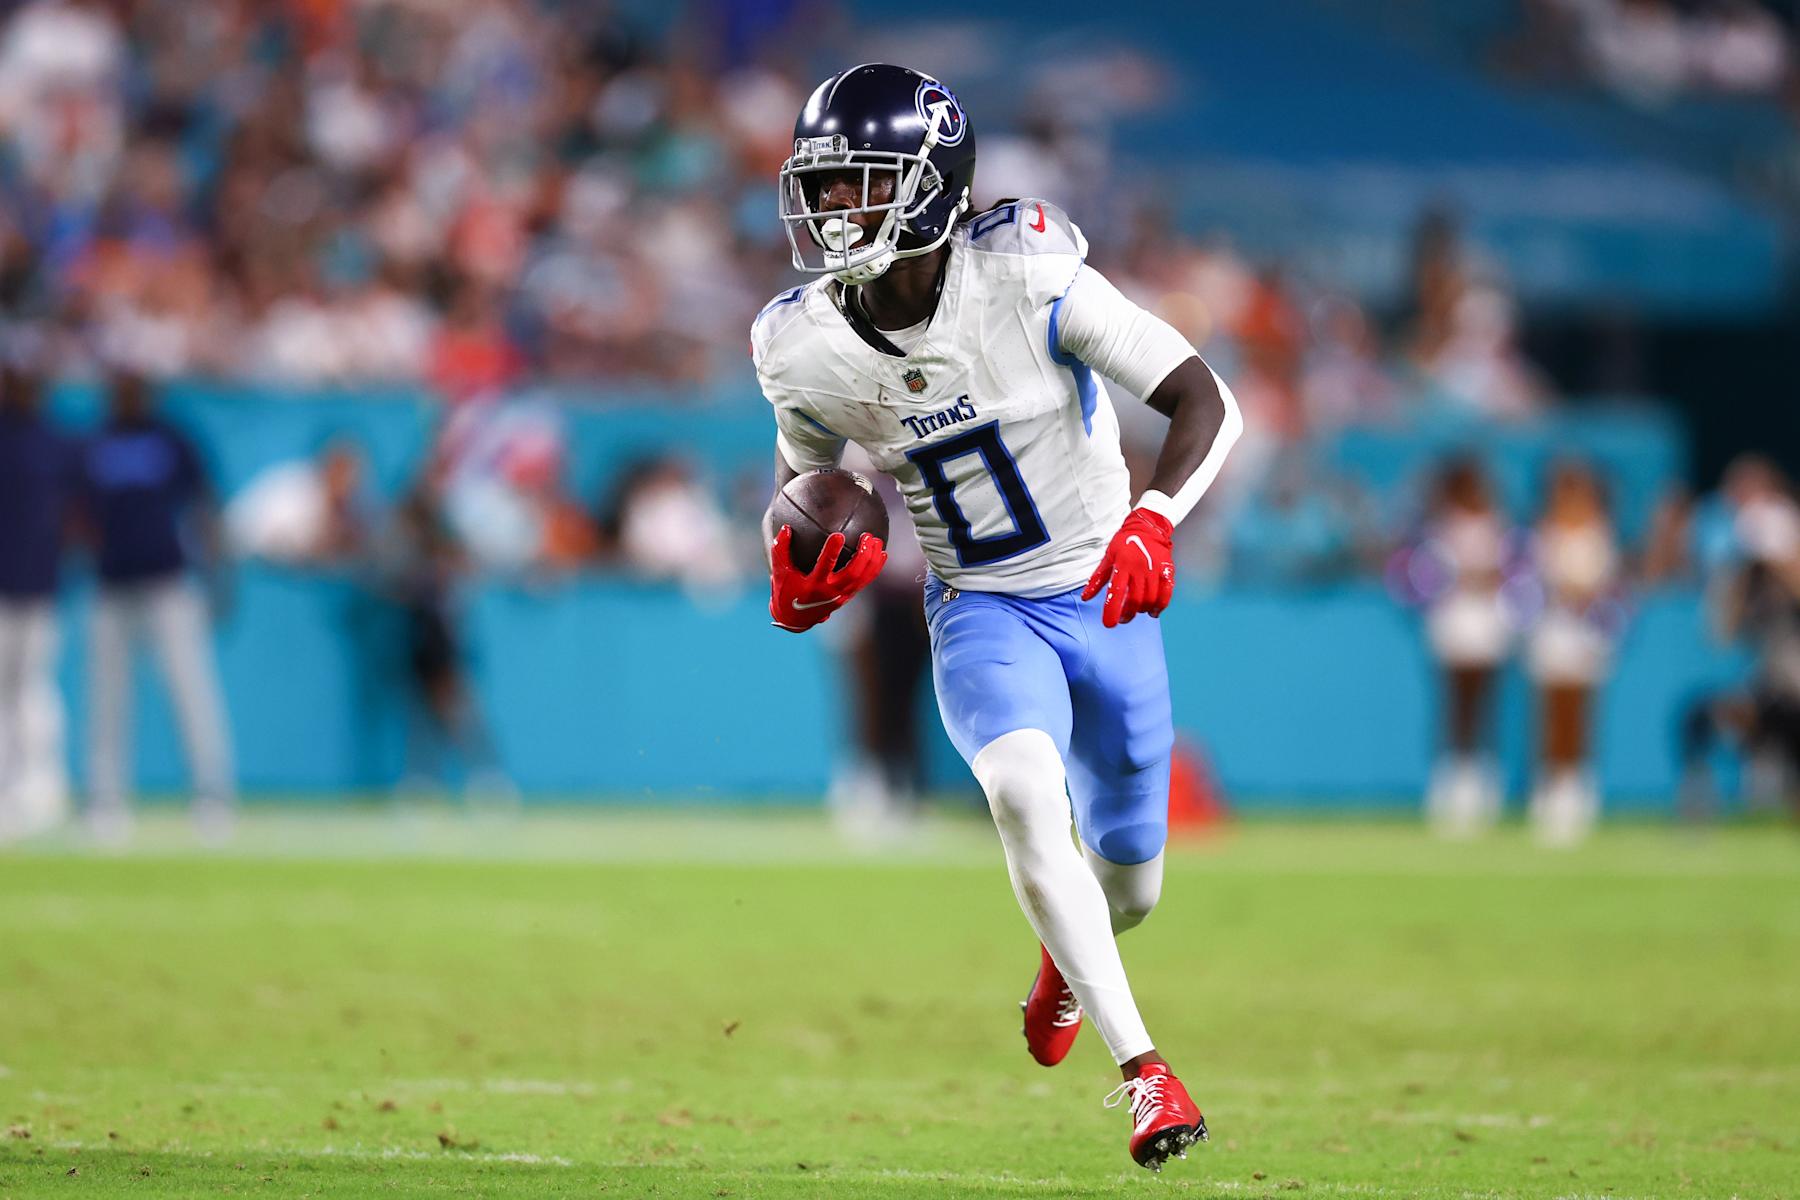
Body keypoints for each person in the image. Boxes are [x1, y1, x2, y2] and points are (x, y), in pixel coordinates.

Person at [751, 65, 1242, 1171]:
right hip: (979, 608)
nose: (831, 212)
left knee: (1133, 883)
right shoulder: (800, 344)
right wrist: (794, 564)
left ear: (931, 186)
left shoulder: (1027, 272)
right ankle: (1145, 1074)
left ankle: (1067, 960)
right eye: (821, 189)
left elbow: (1205, 396)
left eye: (857, 186)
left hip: (1104, 589)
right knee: (1023, 795)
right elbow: (807, 486)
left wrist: (1158, 518)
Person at [77, 369, 235, 844]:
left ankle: (212, 793)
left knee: (190, 690)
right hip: (110, 583)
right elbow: (75, 512)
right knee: (106, 697)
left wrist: (220, 577)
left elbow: (205, 505)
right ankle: (105, 798)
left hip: (168, 583)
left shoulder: (172, 439)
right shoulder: (95, 442)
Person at [1524, 462, 1622, 846]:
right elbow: (1532, 581)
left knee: (1581, 711)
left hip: (1586, 633)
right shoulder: (1543, 535)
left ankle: (1578, 789)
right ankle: (1551, 787)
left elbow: (1603, 583)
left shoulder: (1599, 535)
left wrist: (1583, 593)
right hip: (1552, 630)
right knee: (1552, 711)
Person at [0, 354, 75, 841]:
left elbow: (74, 515)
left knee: (33, 688)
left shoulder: (53, 442)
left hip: (37, 584)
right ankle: (13, 788)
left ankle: (43, 786)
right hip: (13, 582)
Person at [1417, 457, 1514, 836]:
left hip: (1487, 624)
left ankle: (1481, 787)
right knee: (1456, 707)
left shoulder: (1497, 527)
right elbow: (1430, 575)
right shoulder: (1441, 529)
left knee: (1483, 705)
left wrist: (1482, 575)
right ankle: (1453, 786)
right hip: (1454, 623)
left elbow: (1507, 571)